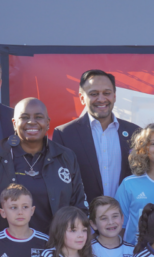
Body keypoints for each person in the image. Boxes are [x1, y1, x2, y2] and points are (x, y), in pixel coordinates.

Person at [0, 97, 87, 235]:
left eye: (38, 117)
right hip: (5, 246)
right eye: (24, 117)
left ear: (47, 123)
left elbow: (79, 206)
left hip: (54, 245)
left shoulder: (66, 157)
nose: (32, 122)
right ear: (14, 123)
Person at [51, 69, 140, 204]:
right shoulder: (64, 134)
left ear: (114, 96)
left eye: (107, 93)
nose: (101, 99)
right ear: (82, 98)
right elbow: (60, 184)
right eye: (94, 94)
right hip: (83, 215)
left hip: (125, 215)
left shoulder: (135, 132)